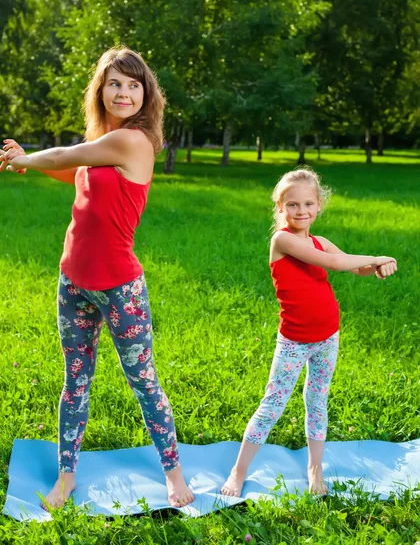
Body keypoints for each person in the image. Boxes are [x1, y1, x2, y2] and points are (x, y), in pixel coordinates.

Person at [0, 47, 194, 509]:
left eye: (133, 84)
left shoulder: (133, 141)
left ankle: (174, 476)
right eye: (114, 83)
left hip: (119, 289)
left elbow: (67, 153)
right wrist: (32, 162)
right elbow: (75, 170)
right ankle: (66, 478)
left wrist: (26, 160)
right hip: (74, 282)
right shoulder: (105, 140)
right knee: (76, 381)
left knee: (144, 382)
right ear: (101, 90)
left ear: (145, 94)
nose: (123, 92)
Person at [221, 167, 397, 497]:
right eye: (292, 205)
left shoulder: (320, 241)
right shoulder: (282, 240)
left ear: (318, 206)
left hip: (328, 336)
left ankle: (315, 468)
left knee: (317, 401)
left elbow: (353, 266)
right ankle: (238, 470)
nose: (301, 211)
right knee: (273, 404)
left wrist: (376, 265)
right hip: (294, 341)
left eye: (308, 204)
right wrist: (376, 256)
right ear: (279, 207)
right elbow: (331, 264)